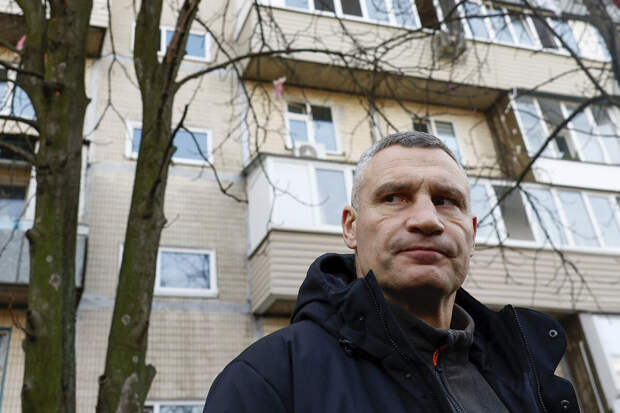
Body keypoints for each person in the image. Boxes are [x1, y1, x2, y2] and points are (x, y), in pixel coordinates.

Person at [203, 131, 579, 412]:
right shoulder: (268, 378)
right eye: (394, 197)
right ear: (351, 227)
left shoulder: (524, 373)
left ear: (472, 233)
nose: (427, 219)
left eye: (446, 201)